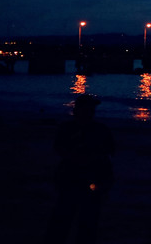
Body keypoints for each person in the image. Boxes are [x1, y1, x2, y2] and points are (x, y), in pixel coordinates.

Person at [45, 94, 115, 244]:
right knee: (65, 219)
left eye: (91, 109)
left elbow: (108, 153)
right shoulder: (71, 129)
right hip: (72, 178)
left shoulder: (98, 130)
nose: (90, 112)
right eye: (88, 109)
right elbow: (60, 149)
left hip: (86, 178)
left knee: (84, 221)